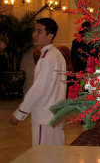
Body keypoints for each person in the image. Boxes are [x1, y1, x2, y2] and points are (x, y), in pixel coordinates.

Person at [8, 18, 67, 146]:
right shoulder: (57, 54)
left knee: (42, 155)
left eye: (39, 31)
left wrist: (19, 113)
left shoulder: (46, 58)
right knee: (56, 154)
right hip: (56, 114)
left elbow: (38, 90)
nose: (34, 35)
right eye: (34, 31)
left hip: (44, 116)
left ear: (50, 36)